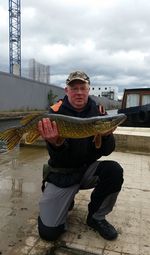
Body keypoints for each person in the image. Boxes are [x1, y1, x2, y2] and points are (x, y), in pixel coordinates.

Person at [37, 70, 124, 242]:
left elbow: (106, 151)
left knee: (114, 170)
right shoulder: (55, 113)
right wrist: (57, 143)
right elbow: (59, 159)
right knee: (49, 233)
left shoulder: (98, 112)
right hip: (62, 174)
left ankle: (96, 217)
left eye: (82, 88)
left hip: (86, 170)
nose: (78, 92)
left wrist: (106, 136)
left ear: (88, 90)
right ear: (66, 90)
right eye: (74, 88)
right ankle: (61, 200)